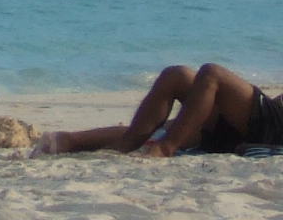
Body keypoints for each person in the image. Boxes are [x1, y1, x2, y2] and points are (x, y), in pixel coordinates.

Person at [37, 65, 283, 157]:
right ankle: (117, 146)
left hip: (273, 127)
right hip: (257, 125)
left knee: (212, 75)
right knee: (176, 76)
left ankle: (164, 149)